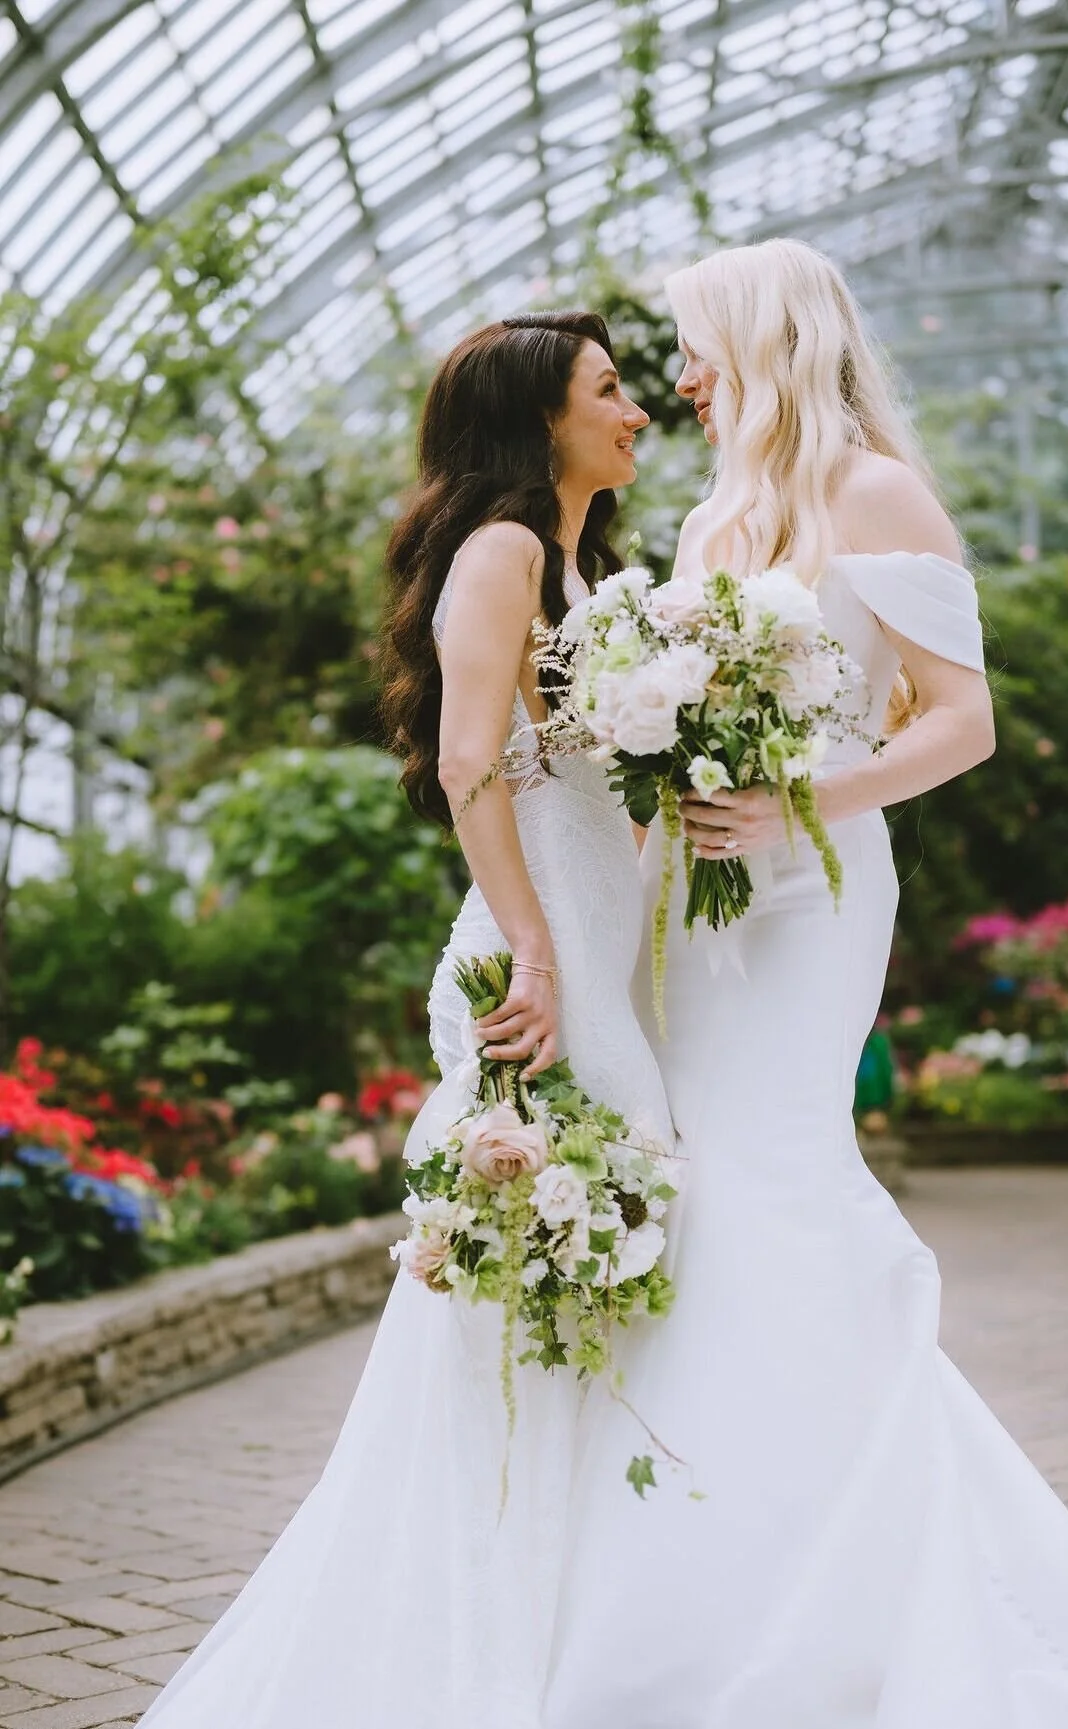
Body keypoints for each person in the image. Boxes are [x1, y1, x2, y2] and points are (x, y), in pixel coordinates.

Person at [541, 239, 1068, 1728]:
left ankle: (871, 1549)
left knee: (777, 1179)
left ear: (766, 342)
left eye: (696, 348)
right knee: (710, 1195)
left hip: (814, 897)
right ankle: (743, 1542)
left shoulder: (873, 492)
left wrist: (805, 793)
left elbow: (963, 724)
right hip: (700, 904)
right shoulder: (713, 514)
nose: (678, 379)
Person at [136, 312, 670, 1728]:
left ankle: (585, 1620)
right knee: (534, 1283)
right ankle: (484, 1637)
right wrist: (540, 954)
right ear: (537, 420)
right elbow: (465, 753)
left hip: (599, 961)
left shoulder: (586, 566)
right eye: (609, 392)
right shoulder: (501, 551)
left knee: (606, 1273)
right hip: (536, 972)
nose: (637, 413)